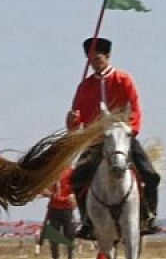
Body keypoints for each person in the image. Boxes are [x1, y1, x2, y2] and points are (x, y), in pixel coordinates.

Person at [67, 37, 161, 237]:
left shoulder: (123, 79)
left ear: (107, 56)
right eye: (90, 58)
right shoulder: (84, 86)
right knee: (77, 178)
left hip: (122, 139)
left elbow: (135, 110)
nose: (94, 62)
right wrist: (72, 120)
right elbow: (76, 124)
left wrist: (128, 133)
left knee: (150, 174)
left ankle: (149, 215)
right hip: (96, 140)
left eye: (97, 57)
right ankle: (87, 221)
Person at [40, 166, 79, 259]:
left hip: (67, 208)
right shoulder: (52, 171)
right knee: (53, 235)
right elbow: (44, 188)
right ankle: (55, 258)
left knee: (70, 233)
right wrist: (47, 192)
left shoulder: (71, 171)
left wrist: (74, 197)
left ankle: (71, 257)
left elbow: (76, 187)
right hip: (54, 208)